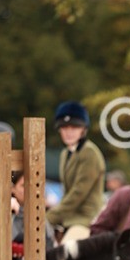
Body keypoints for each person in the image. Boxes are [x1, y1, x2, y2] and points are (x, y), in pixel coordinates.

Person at [46, 101, 106, 241]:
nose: (69, 132)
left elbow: (78, 194)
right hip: (68, 219)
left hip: (86, 220)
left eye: (74, 127)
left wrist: (48, 217)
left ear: (83, 130)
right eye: (64, 127)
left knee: (65, 253)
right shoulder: (65, 154)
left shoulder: (90, 153)